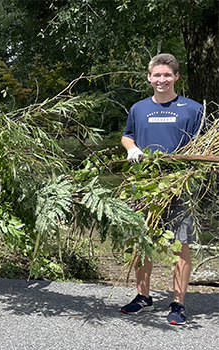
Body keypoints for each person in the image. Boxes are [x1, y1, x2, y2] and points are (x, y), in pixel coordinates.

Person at [119, 53, 203, 325]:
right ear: (149, 78)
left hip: (179, 185)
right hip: (144, 185)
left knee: (180, 243)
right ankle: (143, 296)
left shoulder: (192, 109)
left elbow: (202, 146)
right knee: (142, 241)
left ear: (177, 77)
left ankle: (178, 303)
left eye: (168, 75)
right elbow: (127, 134)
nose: (162, 80)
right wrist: (132, 149)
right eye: (157, 75)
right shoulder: (139, 108)